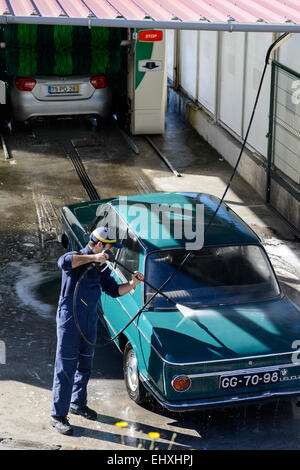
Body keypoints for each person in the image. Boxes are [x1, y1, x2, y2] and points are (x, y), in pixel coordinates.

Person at [50, 226, 144, 436]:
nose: (113, 252)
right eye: (110, 248)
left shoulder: (101, 268)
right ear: (100, 245)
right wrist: (94, 258)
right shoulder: (77, 258)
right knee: (66, 368)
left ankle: (77, 403)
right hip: (69, 322)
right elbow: (63, 262)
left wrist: (132, 283)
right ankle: (57, 415)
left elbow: (114, 290)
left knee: (85, 366)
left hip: (89, 321)